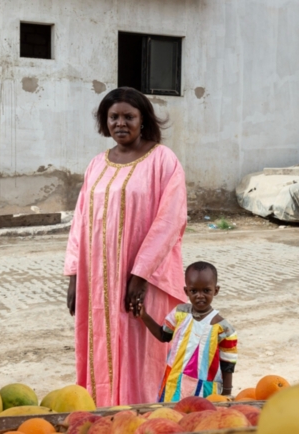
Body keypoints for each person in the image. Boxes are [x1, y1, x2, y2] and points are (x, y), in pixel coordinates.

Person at [64, 87, 188, 407]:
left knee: (139, 346)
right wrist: (75, 274)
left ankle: (143, 415)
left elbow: (170, 220)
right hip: (98, 279)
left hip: (142, 277)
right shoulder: (96, 164)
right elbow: (80, 220)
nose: (121, 123)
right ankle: (103, 411)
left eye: (128, 117)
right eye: (114, 117)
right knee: (100, 343)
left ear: (143, 120)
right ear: (105, 123)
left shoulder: (163, 160)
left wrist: (140, 275)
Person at [133, 261, 238, 401]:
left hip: (205, 391)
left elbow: (228, 365)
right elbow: (163, 335)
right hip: (173, 385)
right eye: (194, 291)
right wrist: (144, 316)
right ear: (186, 291)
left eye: (206, 290)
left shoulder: (224, 329)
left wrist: (226, 393)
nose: (200, 295)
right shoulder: (179, 313)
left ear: (216, 290)